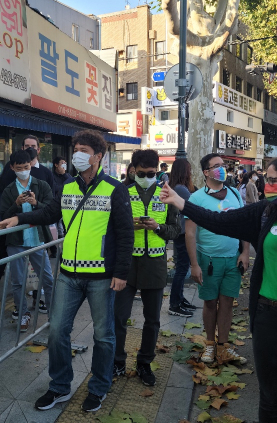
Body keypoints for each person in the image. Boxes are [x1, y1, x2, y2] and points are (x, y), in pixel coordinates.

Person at [161, 156, 277, 422]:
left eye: (275, 180)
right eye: (268, 179)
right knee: (269, 398)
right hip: (268, 314)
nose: (268, 185)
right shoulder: (264, 212)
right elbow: (218, 220)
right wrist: (180, 202)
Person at [0, 129, 134, 413]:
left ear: (98, 156)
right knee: (57, 331)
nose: (77, 156)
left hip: (101, 277)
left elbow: (125, 233)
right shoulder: (68, 186)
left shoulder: (114, 189)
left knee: (103, 335)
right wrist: (19, 217)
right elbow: (48, 213)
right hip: (68, 274)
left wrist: (121, 272)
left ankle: (99, 387)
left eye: (84, 151)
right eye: (76, 150)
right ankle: (59, 386)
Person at [113, 150, 180, 386]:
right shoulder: (122, 192)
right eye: (141, 173)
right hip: (127, 263)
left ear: (158, 171)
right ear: (133, 170)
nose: (146, 176)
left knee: (152, 319)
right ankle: (117, 360)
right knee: (119, 316)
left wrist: (157, 228)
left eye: (151, 173)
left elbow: (175, 230)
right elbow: (112, 228)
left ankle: (144, 363)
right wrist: (128, 226)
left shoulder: (166, 194)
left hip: (155, 263)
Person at [186, 153, 249, 366]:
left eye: (223, 165)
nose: (222, 169)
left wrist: (245, 252)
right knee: (210, 303)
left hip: (233, 259)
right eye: (216, 166)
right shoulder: (196, 199)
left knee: (228, 303)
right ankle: (210, 344)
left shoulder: (234, 193)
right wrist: (194, 265)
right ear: (206, 172)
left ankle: (223, 347)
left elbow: (243, 225)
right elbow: (190, 234)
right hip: (208, 261)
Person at [0, 149, 54, 331]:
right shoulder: (8, 189)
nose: (24, 170)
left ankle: (54, 315)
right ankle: (23, 314)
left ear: (31, 165)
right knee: (18, 281)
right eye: (19, 167)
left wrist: (36, 203)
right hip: (16, 241)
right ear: (12, 168)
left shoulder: (42, 185)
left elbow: (51, 211)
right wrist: (16, 204)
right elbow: (2, 217)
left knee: (47, 278)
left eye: (26, 166)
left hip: (37, 239)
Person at [168, 158, 197, 317]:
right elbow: (194, 207)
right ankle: (174, 304)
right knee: (182, 269)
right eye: (189, 169)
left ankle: (179, 298)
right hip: (183, 232)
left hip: (180, 232)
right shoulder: (182, 189)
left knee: (181, 267)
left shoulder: (176, 187)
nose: (191, 172)